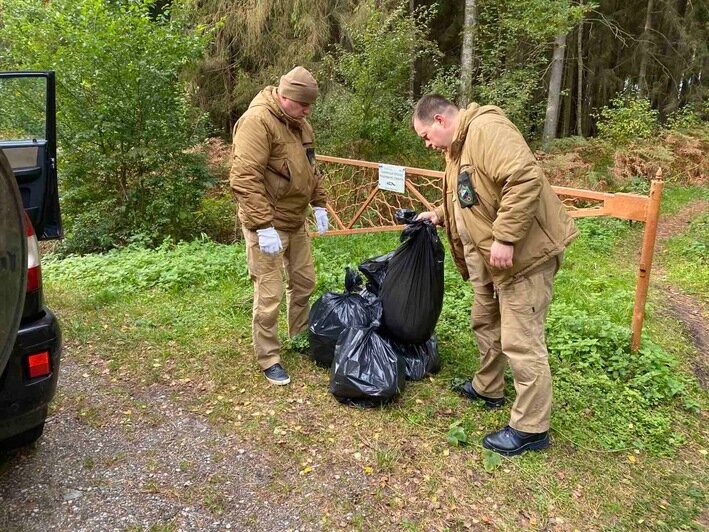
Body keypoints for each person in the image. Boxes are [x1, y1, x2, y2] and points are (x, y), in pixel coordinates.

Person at [412, 94, 579, 456]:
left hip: (523, 258)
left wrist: (505, 236)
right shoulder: (458, 148)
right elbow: (471, 193)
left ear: (440, 120)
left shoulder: (487, 130)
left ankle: (531, 429)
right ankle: (488, 386)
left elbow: (523, 179)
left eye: (426, 135)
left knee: (522, 339)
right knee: (484, 319)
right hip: (490, 261)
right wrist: (440, 214)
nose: (426, 144)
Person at [230, 66, 329, 386]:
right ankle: (269, 356)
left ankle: (299, 337)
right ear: (285, 96)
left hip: (295, 220)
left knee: (304, 281)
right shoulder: (256, 122)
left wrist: (319, 204)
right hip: (267, 224)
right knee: (269, 293)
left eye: (310, 105)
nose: (307, 110)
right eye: (303, 104)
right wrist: (262, 225)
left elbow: (311, 168)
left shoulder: (301, 124)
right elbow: (244, 178)